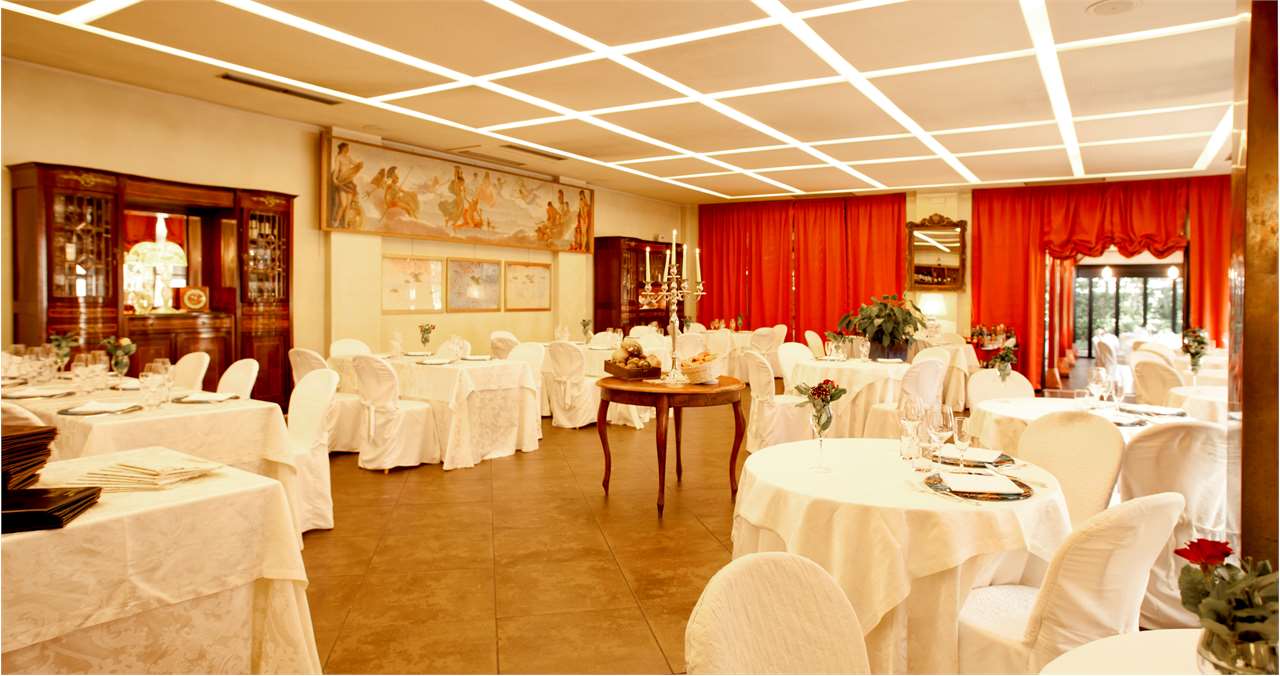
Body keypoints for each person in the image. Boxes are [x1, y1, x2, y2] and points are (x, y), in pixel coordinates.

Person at [330, 142, 363, 228]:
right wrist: (334, 179)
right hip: (342, 181)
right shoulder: (338, 157)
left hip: (349, 181)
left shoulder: (348, 157)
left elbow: (355, 163)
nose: (348, 149)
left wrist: (360, 164)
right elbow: (337, 169)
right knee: (343, 204)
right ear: (343, 148)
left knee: (348, 205)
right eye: (347, 148)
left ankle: (345, 224)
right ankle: (336, 221)